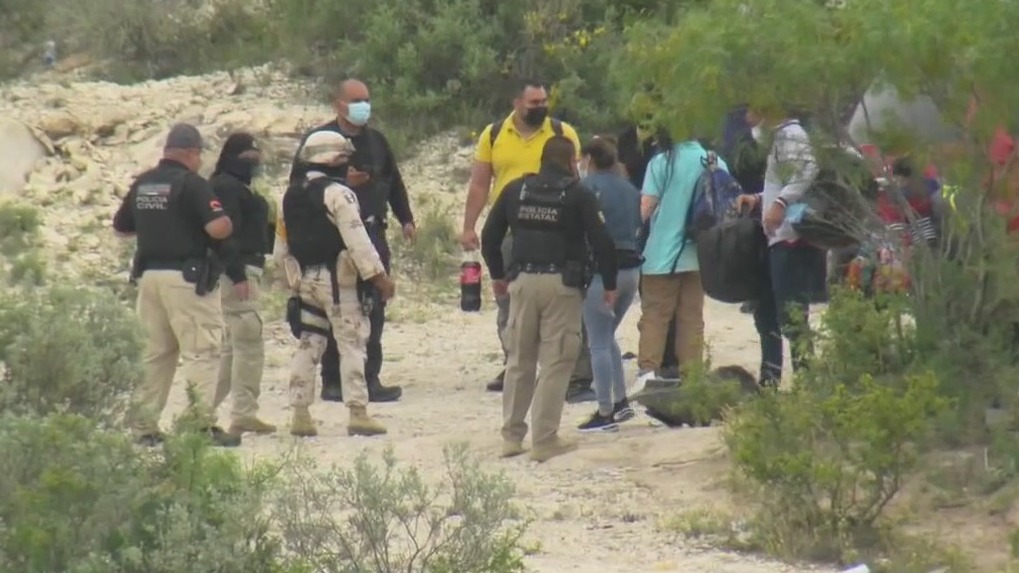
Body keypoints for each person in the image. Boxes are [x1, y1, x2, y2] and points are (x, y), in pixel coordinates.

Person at [480, 136, 618, 462]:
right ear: (572, 162)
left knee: (518, 361)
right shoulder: (579, 194)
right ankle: (544, 440)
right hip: (562, 285)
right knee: (556, 361)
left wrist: (498, 275)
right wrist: (609, 283)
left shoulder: (516, 190)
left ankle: (512, 437)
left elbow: (490, 237)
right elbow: (602, 241)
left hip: (522, 282)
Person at [459, 79, 594, 401]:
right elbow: (479, 184)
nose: (541, 107)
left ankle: (577, 374)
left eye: (544, 101)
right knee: (509, 301)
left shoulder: (563, 133)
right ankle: (516, 364)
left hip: (558, 230)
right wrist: (468, 226)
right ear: (517, 101)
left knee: (568, 298)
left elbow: (577, 182)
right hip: (510, 230)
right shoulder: (493, 135)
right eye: (534, 102)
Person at [112, 123, 241, 448]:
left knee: (155, 353)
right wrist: (228, 224)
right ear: (192, 153)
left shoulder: (144, 183)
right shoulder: (192, 184)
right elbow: (216, 228)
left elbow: (122, 227)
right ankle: (199, 426)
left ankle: (143, 426)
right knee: (203, 351)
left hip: (149, 278)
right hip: (187, 279)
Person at [289, 79, 412, 405]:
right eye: (357, 100)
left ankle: (369, 378)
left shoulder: (377, 142)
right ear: (338, 104)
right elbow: (301, 187)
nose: (364, 106)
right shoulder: (319, 141)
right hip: (333, 238)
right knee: (335, 312)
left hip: (373, 230)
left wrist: (407, 218)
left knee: (373, 309)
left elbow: (394, 183)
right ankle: (333, 382)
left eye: (367, 99)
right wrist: (344, 181)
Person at [275, 130, 397, 437]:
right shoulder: (338, 194)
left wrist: (293, 283)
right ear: (334, 160)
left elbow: (280, 250)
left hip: (306, 279)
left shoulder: (288, 196)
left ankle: (300, 414)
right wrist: (380, 277)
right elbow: (358, 242)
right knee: (353, 343)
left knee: (309, 342)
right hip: (340, 283)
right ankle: (358, 412)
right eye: (344, 158)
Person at [633, 135, 731, 391]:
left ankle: (648, 371)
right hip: (700, 252)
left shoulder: (661, 162)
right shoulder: (714, 159)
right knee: (691, 316)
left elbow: (646, 208)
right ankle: (692, 374)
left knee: (655, 314)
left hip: (662, 251)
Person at [737, 107, 826, 387]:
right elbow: (783, 181)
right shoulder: (779, 138)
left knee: (792, 315)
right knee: (768, 312)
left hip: (791, 238)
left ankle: (806, 379)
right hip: (778, 238)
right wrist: (761, 198)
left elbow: (807, 170)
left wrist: (780, 203)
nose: (747, 114)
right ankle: (770, 378)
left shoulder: (791, 135)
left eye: (752, 107)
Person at [208, 132, 276, 436]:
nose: (254, 164)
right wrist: (237, 275)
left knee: (231, 349)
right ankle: (243, 414)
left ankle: (200, 412)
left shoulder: (230, 186)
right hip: (238, 273)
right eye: (248, 159)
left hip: (238, 271)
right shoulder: (227, 187)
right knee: (248, 341)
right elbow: (226, 235)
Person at [575, 138, 642, 432]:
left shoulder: (587, 189)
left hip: (603, 274)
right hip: (631, 272)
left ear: (588, 158)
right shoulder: (629, 188)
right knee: (608, 336)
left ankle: (605, 411)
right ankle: (621, 401)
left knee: (598, 342)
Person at [616, 121, 680, 371]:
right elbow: (623, 175)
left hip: (661, 212)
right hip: (639, 210)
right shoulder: (627, 137)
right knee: (650, 289)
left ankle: (666, 355)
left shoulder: (667, 137)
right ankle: (658, 354)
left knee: (665, 291)